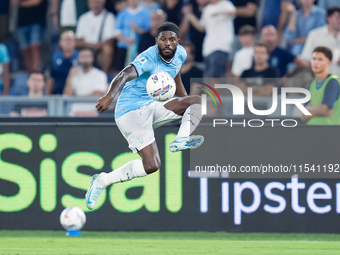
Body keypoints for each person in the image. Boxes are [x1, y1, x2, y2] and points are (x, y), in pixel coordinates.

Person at [85, 22, 204, 210]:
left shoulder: (181, 53)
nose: (167, 43)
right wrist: (109, 95)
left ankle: (181, 140)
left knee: (196, 101)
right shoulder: (148, 57)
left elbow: (176, 76)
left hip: (152, 105)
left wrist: (185, 105)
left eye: (171, 40)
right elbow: (124, 74)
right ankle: (103, 180)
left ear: (178, 41)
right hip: (130, 111)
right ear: (156, 41)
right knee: (151, 166)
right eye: (163, 39)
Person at [183, 0, 236, 80]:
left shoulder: (225, 4)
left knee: (215, 77)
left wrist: (220, 12)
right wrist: (189, 15)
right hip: (208, 48)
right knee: (208, 78)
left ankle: (217, 93)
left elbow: (233, 12)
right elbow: (201, 27)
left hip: (221, 46)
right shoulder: (207, 9)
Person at [75, 0, 116, 74]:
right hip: (86, 47)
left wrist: (99, 45)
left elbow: (110, 40)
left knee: (108, 49)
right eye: (93, 3)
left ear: (102, 3)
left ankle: (104, 76)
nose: (95, 5)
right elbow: (78, 40)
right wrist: (93, 45)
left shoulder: (109, 17)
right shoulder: (83, 18)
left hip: (100, 49)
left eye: (97, 2)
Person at [301, 46, 340, 125]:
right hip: (312, 131)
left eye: (320, 59)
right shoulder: (311, 85)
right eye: (314, 59)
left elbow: (323, 109)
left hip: (330, 131)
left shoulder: (333, 82)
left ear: (329, 62)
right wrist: (321, 111)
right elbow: (303, 115)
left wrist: (310, 110)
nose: (316, 62)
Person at [301, 6, 340, 76]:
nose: (339, 21)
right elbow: (306, 59)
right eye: (337, 18)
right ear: (328, 18)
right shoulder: (314, 35)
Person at [12, 0, 48, 72]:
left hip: (37, 20)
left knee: (35, 47)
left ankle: (36, 73)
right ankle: (30, 75)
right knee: (25, 49)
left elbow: (36, 1)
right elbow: (13, 2)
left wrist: (21, 3)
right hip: (22, 22)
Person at [115, 0, 151, 71]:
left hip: (139, 47)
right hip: (124, 46)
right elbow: (116, 31)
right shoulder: (122, 14)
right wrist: (126, 40)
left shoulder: (146, 14)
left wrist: (137, 29)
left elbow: (148, 31)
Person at [47, 31, 78, 95]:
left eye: (70, 40)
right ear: (60, 42)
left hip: (75, 92)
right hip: (57, 91)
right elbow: (51, 76)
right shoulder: (55, 57)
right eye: (65, 40)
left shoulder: (79, 56)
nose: (68, 42)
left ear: (75, 42)